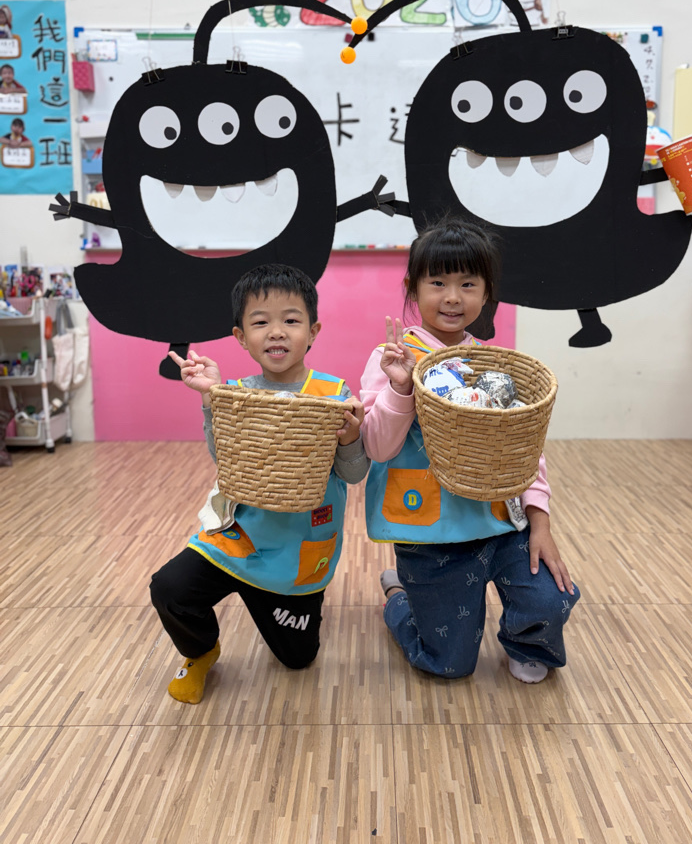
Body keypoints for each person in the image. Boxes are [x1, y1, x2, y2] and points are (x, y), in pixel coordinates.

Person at [360, 216, 579, 682]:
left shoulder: (491, 362)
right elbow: (376, 448)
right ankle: (400, 598)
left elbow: (524, 447)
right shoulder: (393, 357)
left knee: (550, 598)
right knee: (449, 664)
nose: (453, 297)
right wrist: (401, 389)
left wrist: (540, 522)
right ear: (413, 288)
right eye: (437, 282)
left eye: (468, 283)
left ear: (486, 293)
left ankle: (524, 643)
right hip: (431, 532)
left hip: (500, 523)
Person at [150, 263, 368, 703]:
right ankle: (200, 652)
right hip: (239, 537)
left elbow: (353, 474)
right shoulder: (236, 392)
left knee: (298, 660)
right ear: (241, 337)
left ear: (313, 331)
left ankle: (266, 599)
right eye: (261, 322)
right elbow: (226, 462)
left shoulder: (334, 394)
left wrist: (349, 439)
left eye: (291, 320)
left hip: (297, 554)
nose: (277, 332)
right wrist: (211, 398)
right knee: (169, 588)